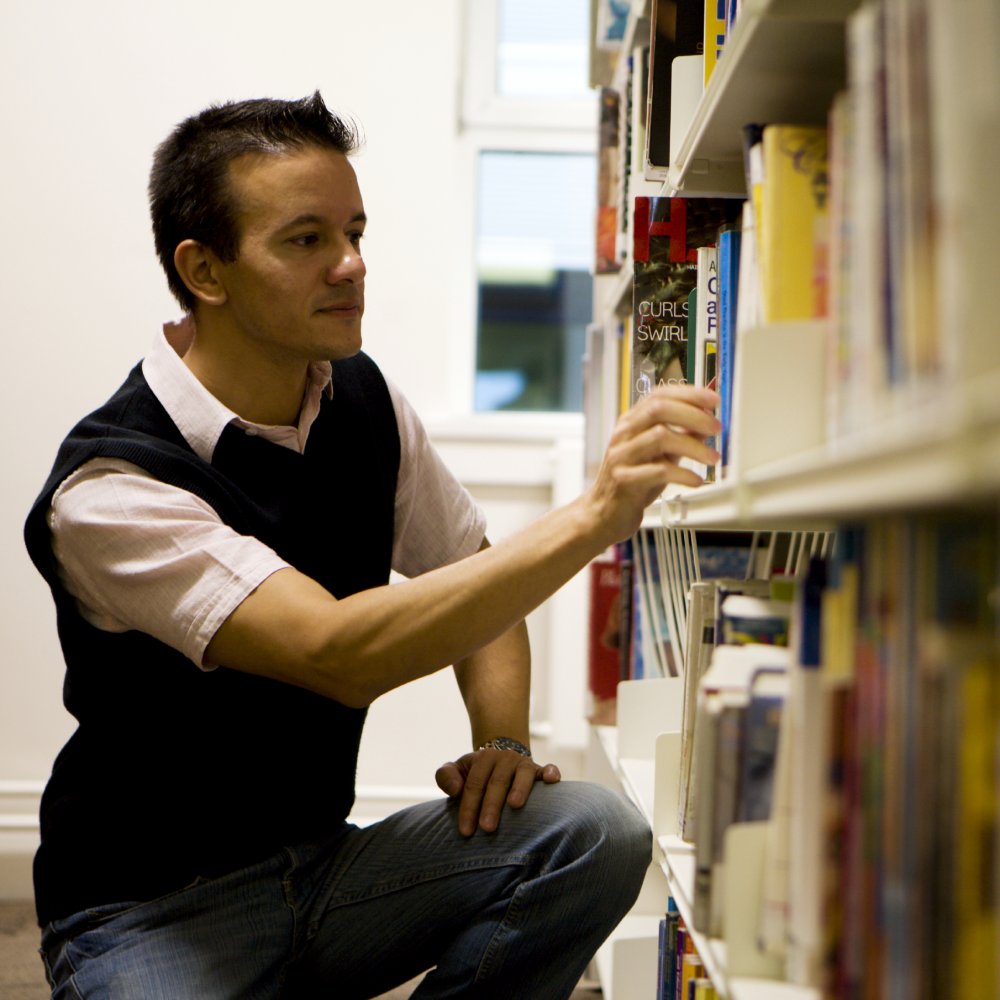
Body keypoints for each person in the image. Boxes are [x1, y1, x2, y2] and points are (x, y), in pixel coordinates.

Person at [23, 92, 721, 999]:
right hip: (147, 910)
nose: (351, 264)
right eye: (305, 239)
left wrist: (502, 741)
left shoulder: (362, 401)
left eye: (354, 233)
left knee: (592, 832)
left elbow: (477, 582)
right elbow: (336, 653)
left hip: (324, 876)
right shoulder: (113, 489)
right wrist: (594, 515)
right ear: (204, 270)